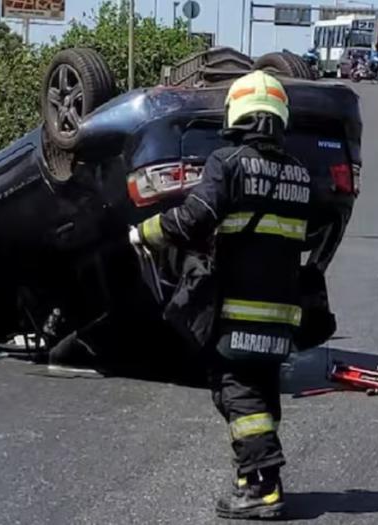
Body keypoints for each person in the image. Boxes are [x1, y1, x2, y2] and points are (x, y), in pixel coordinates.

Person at [131, 70, 312, 520]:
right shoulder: (300, 174)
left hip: (236, 308)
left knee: (236, 392)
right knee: (262, 392)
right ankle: (252, 477)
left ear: (238, 115)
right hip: (282, 312)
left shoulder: (227, 163)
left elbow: (196, 217)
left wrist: (145, 233)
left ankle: (263, 488)